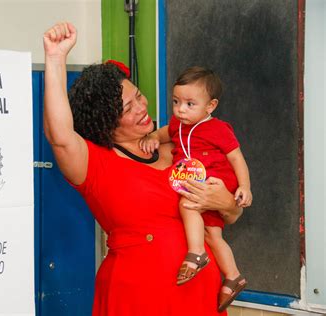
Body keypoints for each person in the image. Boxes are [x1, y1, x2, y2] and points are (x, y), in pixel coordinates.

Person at [43, 22, 243, 316]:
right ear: (105, 121)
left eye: (138, 95)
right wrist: (55, 58)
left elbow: (230, 213)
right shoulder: (95, 163)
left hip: (199, 299)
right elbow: (59, 135)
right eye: (128, 107)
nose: (142, 106)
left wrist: (226, 203)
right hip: (136, 299)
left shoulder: (180, 145)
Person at [140, 66, 251, 311]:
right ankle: (233, 277)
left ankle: (196, 253)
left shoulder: (219, 129)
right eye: (176, 101)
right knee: (213, 234)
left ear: (210, 106)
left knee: (186, 203)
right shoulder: (178, 125)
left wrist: (244, 186)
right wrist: (154, 138)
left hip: (216, 183)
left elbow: (237, 159)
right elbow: (164, 133)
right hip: (196, 179)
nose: (180, 109)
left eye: (190, 104)